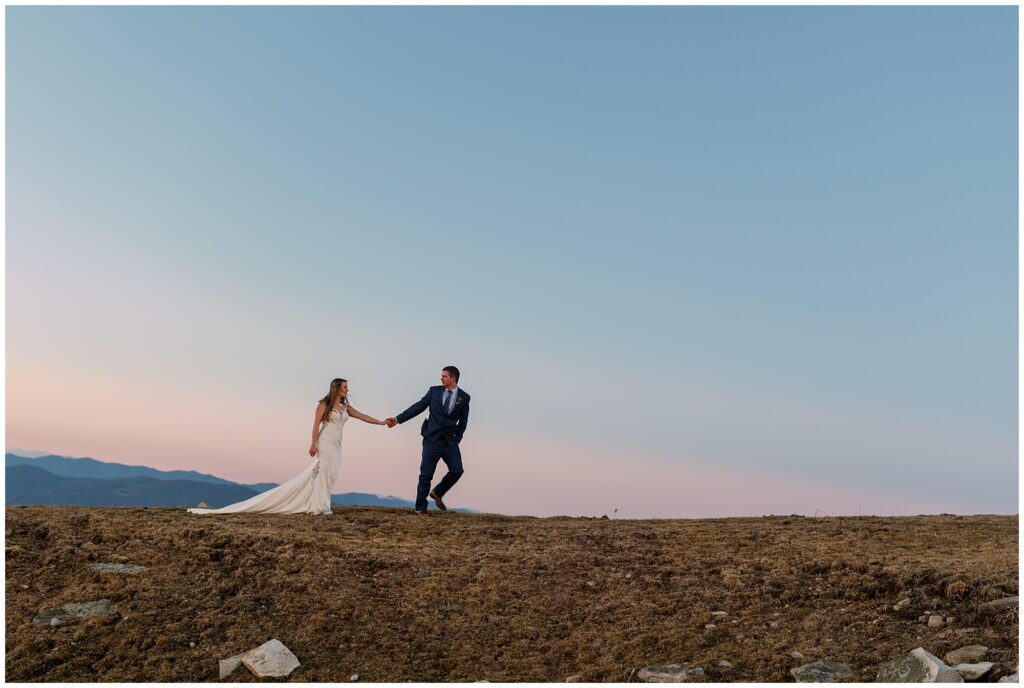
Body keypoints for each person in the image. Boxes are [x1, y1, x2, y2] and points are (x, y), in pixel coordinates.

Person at [188, 378, 386, 515]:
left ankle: (317, 501)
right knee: (325, 471)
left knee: (332, 472)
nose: (347, 389)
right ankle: (320, 506)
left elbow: (362, 416)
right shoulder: (324, 404)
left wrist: (381, 422)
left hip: (337, 444)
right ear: (337, 388)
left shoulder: (345, 406)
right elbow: (315, 424)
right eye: (344, 387)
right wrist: (313, 444)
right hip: (325, 441)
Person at [386, 366, 470, 515]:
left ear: (453, 378)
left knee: (457, 470)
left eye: (444, 376)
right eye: (441, 376)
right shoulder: (434, 391)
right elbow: (418, 407)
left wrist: (458, 438)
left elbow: (463, 421)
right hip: (432, 439)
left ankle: (438, 492)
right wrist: (398, 419)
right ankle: (420, 507)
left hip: (450, 442)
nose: (441, 378)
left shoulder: (464, 397)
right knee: (426, 474)